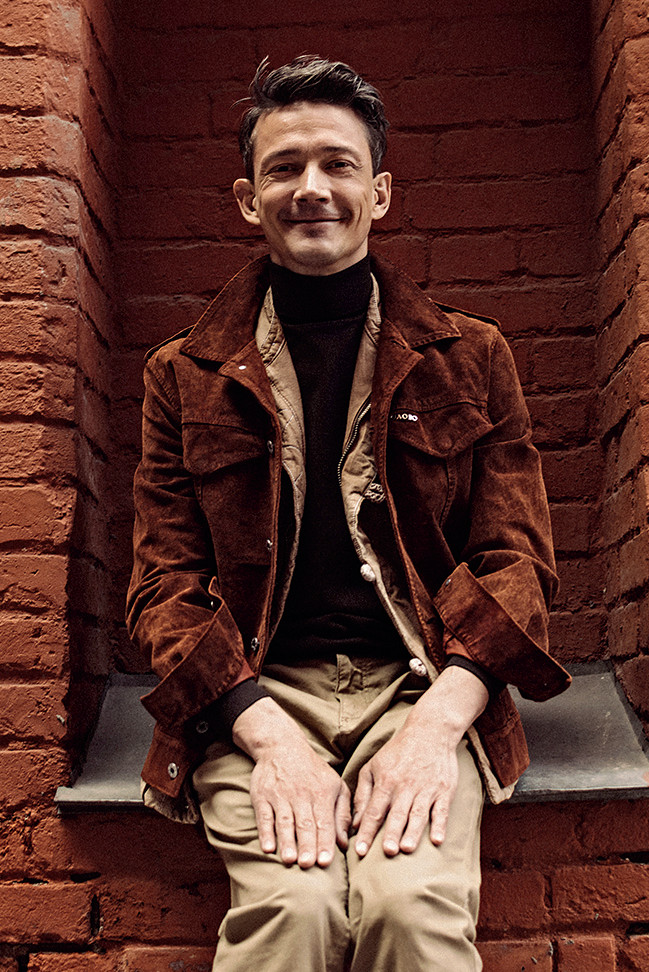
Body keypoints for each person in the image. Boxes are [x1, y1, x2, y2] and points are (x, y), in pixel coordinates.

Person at [126, 55, 571, 972]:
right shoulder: (183, 374)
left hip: (421, 683)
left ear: (380, 191)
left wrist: (437, 727)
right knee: (291, 913)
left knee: (410, 912)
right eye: (283, 168)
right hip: (257, 689)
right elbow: (162, 589)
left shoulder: (471, 355)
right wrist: (265, 736)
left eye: (337, 164)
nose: (311, 188)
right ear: (248, 200)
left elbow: (517, 564)